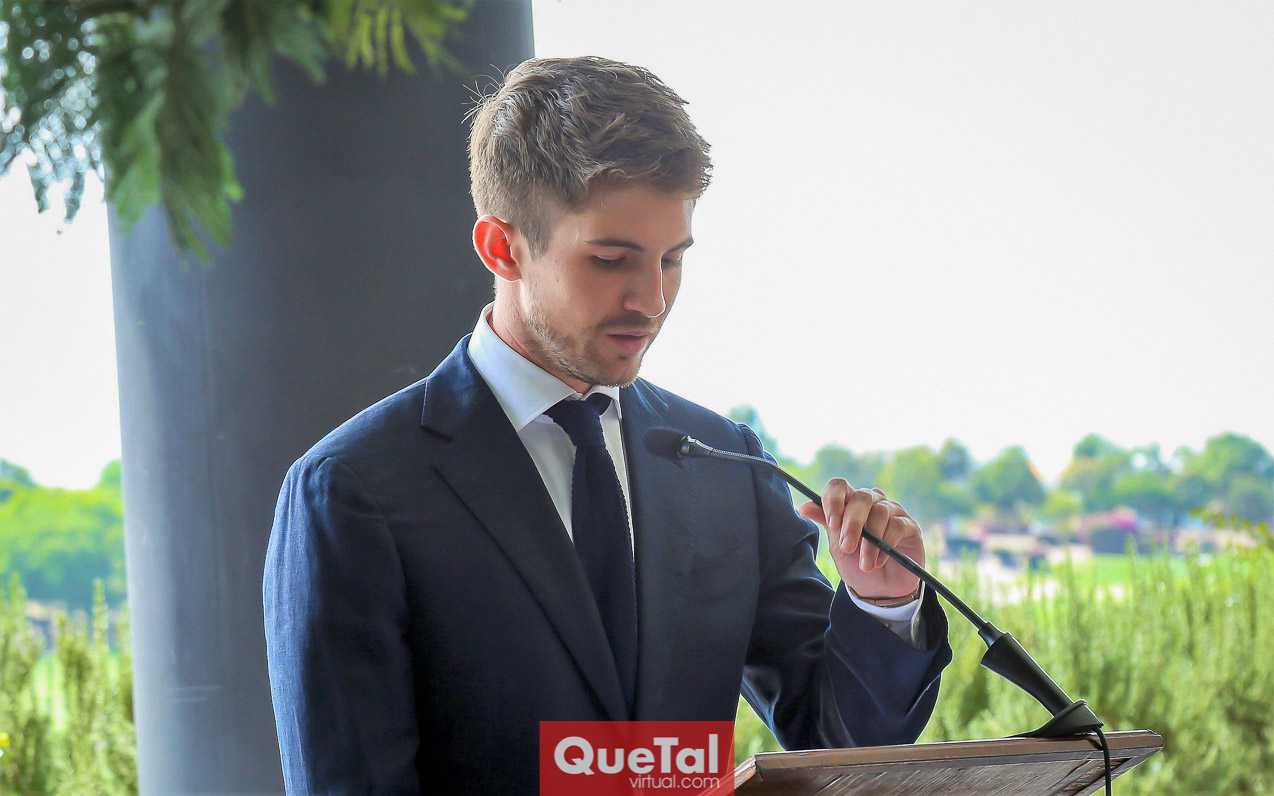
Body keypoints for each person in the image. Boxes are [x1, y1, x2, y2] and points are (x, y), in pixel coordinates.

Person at [263, 55, 952, 794]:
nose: (651, 300)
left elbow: (839, 741)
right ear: (502, 248)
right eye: (611, 260)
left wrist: (881, 603)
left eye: (672, 260)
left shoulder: (727, 462)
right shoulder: (354, 489)